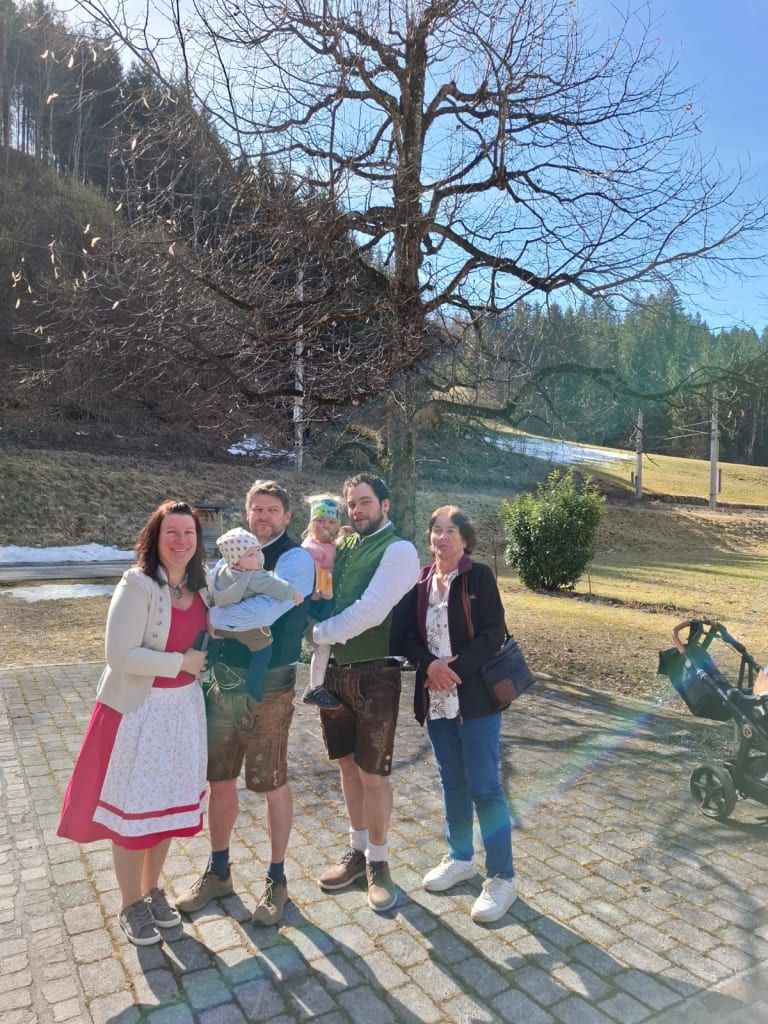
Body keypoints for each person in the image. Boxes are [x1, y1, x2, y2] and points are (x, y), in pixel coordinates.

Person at [57, 500, 209, 946]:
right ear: (155, 538)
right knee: (131, 812)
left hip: (183, 711)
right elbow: (119, 654)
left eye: (188, 533)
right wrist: (181, 662)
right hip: (137, 712)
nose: (180, 541)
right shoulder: (137, 583)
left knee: (163, 807)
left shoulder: (201, 586)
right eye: (171, 532)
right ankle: (130, 903)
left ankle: (151, 890)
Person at [175, 480, 315, 926]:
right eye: (257, 509)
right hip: (222, 680)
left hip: (270, 684)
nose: (263, 517)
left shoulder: (295, 560)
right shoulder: (232, 554)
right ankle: (218, 872)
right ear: (247, 512)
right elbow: (208, 593)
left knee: (271, 781)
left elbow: (263, 613)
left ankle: (277, 879)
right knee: (219, 779)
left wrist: (214, 619)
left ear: (288, 516)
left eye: (272, 509)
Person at [392, 505, 517, 924]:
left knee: (485, 785)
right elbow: (403, 637)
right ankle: (460, 858)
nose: (442, 537)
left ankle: (502, 877)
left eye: (451, 531)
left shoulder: (478, 577)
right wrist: (430, 666)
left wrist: (453, 670)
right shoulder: (420, 581)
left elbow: (493, 633)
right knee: (452, 781)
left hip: (475, 699)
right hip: (436, 699)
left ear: (465, 538)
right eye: (436, 530)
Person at [313, 473, 419, 912]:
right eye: (351, 503)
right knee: (346, 767)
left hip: (375, 675)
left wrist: (319, 633)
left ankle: (379, 861)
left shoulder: (399, 550)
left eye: (365, 502)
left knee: (373, 775)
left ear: (385, 505)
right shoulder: (345, 544)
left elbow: (372, 611)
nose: (356, 510)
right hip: (334, 673)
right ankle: (357, 853)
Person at [211, 526, 303, 699]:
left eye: (258, 551)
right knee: (263, 652)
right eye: (251, 555)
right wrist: (293, 593)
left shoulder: (221, 572)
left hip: (222, 628)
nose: (258, 557)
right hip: (249, 630)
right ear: (236, 562)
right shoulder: (253, 576)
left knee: (214, 642)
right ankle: (253, 685)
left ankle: (209, 661)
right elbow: (275, 586)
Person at [301, 493, 345, 710]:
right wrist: (320, 593)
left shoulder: (330, 543)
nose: (325, 526)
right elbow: (314, 576)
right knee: (323, 644)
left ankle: (323, 679)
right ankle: (315, 687)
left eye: (331, 522)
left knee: (329, 643)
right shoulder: (311, 548)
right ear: (311, 523)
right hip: (317, 603)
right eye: (319, 520)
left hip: (329, 600)